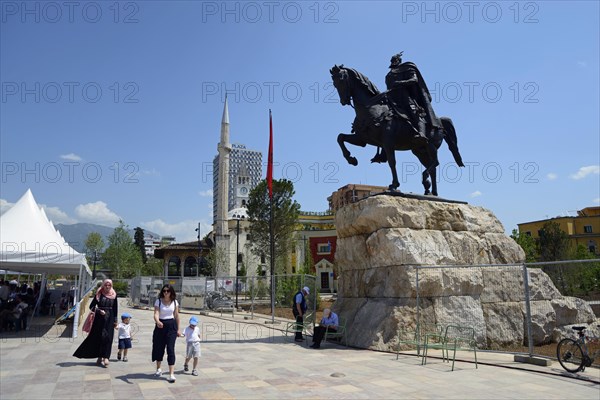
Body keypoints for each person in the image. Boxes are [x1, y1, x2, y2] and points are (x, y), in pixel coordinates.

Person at [384, 51, 441, 147]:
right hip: (391, 97)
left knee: (414, 112)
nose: (393, 63)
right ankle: (383, 150)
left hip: (405, 97)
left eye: (395, 60)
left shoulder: (408, 68)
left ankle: (422, 134)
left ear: (399, 60)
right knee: (383, 117)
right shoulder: (389, 74)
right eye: (392, 61)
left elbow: (414, 80)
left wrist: (399, 83)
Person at [73, 279, 118, 367]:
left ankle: (106, 357)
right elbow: (91, 306)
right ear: (103, 285)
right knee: (99, 337)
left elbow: (115, 308)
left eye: (109, 285)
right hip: (99, 319)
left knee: (108, 338)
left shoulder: (114, 295)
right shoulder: (99, 294)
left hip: (110, 318)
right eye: (106, 285)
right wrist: (98, 310)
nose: (107, 287)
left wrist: (115, 320)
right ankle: (99, 356)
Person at [152, 284, 183, 383]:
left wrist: (178, 329)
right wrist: (158, 322)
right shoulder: (158, 301)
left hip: (171, 327)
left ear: (171, 292)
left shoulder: (175, 302)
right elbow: (156, 314)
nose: (166, 293)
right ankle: (158, 368)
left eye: (168, 291)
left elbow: (177, 316)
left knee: (170, 349)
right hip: (160, 326)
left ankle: (171, 374)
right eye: (164, 291)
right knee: (159, 348)